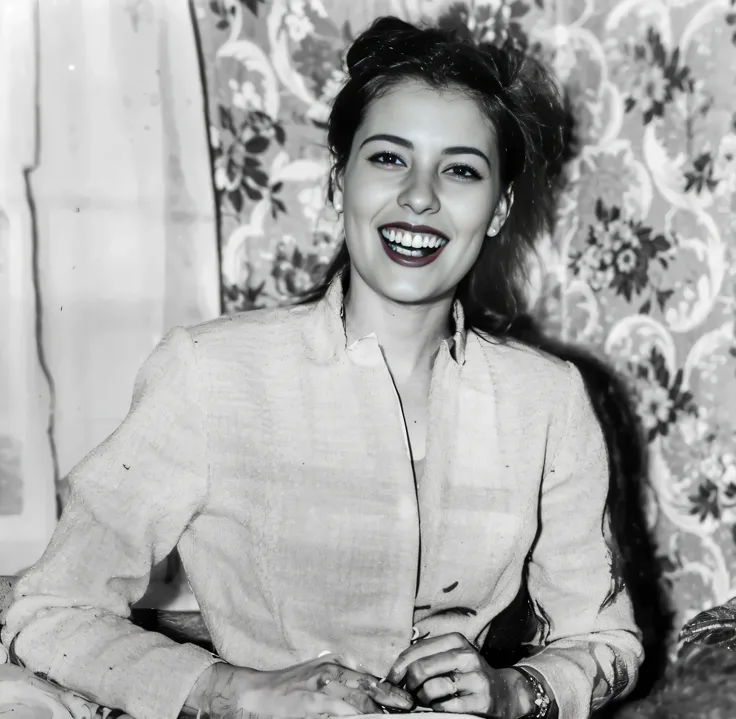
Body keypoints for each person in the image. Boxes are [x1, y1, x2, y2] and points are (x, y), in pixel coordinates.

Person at [2, 15, 643, 719]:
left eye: (461, 169)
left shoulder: (548, 401)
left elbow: (604, 637)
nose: (421, 196)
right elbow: (50, 607)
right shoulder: (211, 373)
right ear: (340, 183)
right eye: (389, 158)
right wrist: (236, 690)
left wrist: (513, 689)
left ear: (498, 209)